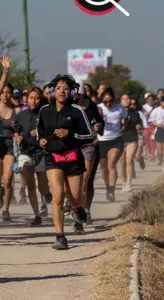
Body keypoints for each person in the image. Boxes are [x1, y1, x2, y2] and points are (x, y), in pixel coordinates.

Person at [37, 75, 94, 250]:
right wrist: (42, 140)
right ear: (53, 91)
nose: (62, 91)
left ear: (71, 92)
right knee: (58, 196)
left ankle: (76, 207)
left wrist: (70, 134)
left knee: (74, 197)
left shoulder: (77, 111)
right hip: (53, 157)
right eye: (58, 88)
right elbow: (40, 130)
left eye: (66, 88)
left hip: (73, 158)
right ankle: (60, 236)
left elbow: (89, 135)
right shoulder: (44, 110)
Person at [13, 87, 52, 225]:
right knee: (30, 184)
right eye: (31, 98)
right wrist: (18, 137)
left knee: (42, 185)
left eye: (36, 98)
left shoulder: (45, 114)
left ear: (40, 99)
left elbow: (51, 131)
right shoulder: (21, 115)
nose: (33, 101)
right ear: (26, 99)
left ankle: (46, 193)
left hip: (41, 152)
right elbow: (16, 130)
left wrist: (41, 133)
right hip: (26, 152)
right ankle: (37, 214)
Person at [75, 86, 104, 228]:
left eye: (85, 91)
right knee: (74, 182)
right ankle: (76, 206)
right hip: (72, 146)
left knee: (86, 182)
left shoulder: (92, 106)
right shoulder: (68, 104)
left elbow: (101, 123)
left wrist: (98, 126)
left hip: (90, 145)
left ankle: (84, 212)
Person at [0, 81, 20, 222]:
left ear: (12, 94)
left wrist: (19, 136)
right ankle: (0, 190)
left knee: (7, 180)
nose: (5, 95)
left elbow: (20, 128)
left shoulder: (16, 110)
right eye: (3, 92)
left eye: (8, 92)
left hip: (10, 146)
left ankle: (6, 210)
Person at [97, 87, 126, 202]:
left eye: (111, 101)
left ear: (114, 100)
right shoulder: (98, 108)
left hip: (116, 140)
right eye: (106, 101)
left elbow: (124, 120)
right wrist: (100, 119)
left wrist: (123, 125)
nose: (108, 104)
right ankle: (107, 187)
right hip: (102, 141)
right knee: (103, 168)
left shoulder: (120, 108)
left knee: (111, 165)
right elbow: (93, 124)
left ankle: (112, 189)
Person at [119, 97, 146, 192]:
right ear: (120, 101)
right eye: (124, 99)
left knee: (129, 161)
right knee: (122, 162)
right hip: (120, 139)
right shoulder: (117, 112)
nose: (126, 100)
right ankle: (123, 181)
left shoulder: (135, 113)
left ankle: (129, 183)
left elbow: (139, 123)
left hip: (132, 139)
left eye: (127, 99)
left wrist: (138, 125)